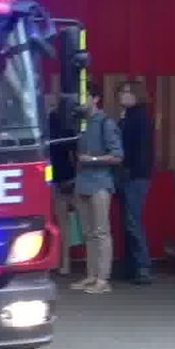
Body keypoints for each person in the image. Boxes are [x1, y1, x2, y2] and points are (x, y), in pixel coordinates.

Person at [72, 82, 123, 294]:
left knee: (101, 231)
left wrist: (91, 159)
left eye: (84, 97)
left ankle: (103, 279)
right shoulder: (80, 123)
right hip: (82, 182)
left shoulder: (106, 123)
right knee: (87, 232)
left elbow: (118, 156)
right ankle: (91, 275)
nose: (80, 102)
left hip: (101, 182)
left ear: (95, 99)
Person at [115, 80, 154, 284]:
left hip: (135, 176)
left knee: (132, 221)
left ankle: (142, 266)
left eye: (127, 92)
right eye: (121, 92)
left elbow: (140, 150)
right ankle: (131, 265)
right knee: (128, 221)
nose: (122, 95)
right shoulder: (129, 116)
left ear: (136, 95)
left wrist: (130, 171)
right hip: (129, 175)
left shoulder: (139, 117)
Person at [46, 98, 79, 276]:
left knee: (62, 225)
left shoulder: (44, 130)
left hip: (56, 180)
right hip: (71, 178)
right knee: (89, 226)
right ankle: (91, 267)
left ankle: (64, 263)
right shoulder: (70, 129)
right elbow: (76, 156)